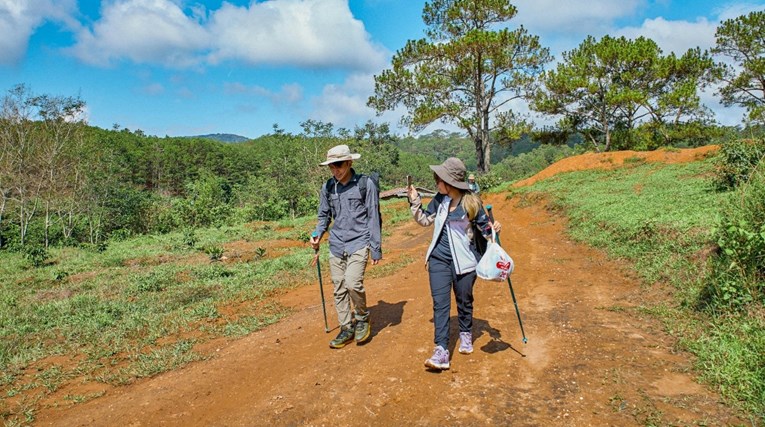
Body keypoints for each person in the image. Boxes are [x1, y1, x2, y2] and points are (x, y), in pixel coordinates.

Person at [408, 157, 500, 371]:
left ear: (449, 182)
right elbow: (424, 220)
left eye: (438, 179)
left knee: (464, 300)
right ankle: (441, 350)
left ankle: (466, 333)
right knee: (440, 305)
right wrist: (414, 202)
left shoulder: (472, 203)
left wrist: (494, 229)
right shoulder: (440, 200)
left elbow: (486, 232)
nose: (436, 182)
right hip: (438, 260)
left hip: (466, 263)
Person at [311, 144, 382, 349]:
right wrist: (318, 233)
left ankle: (361, 318)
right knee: (339, 288)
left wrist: (376, 248)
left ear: (350, 162)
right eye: (331, 166)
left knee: (352, 283)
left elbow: (373, 216)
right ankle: (346, 328)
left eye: (339, 165)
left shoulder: (364, 184)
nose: (335, 170)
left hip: (359, 241)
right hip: (336, 243)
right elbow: (324, 215)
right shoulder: (328, 187)